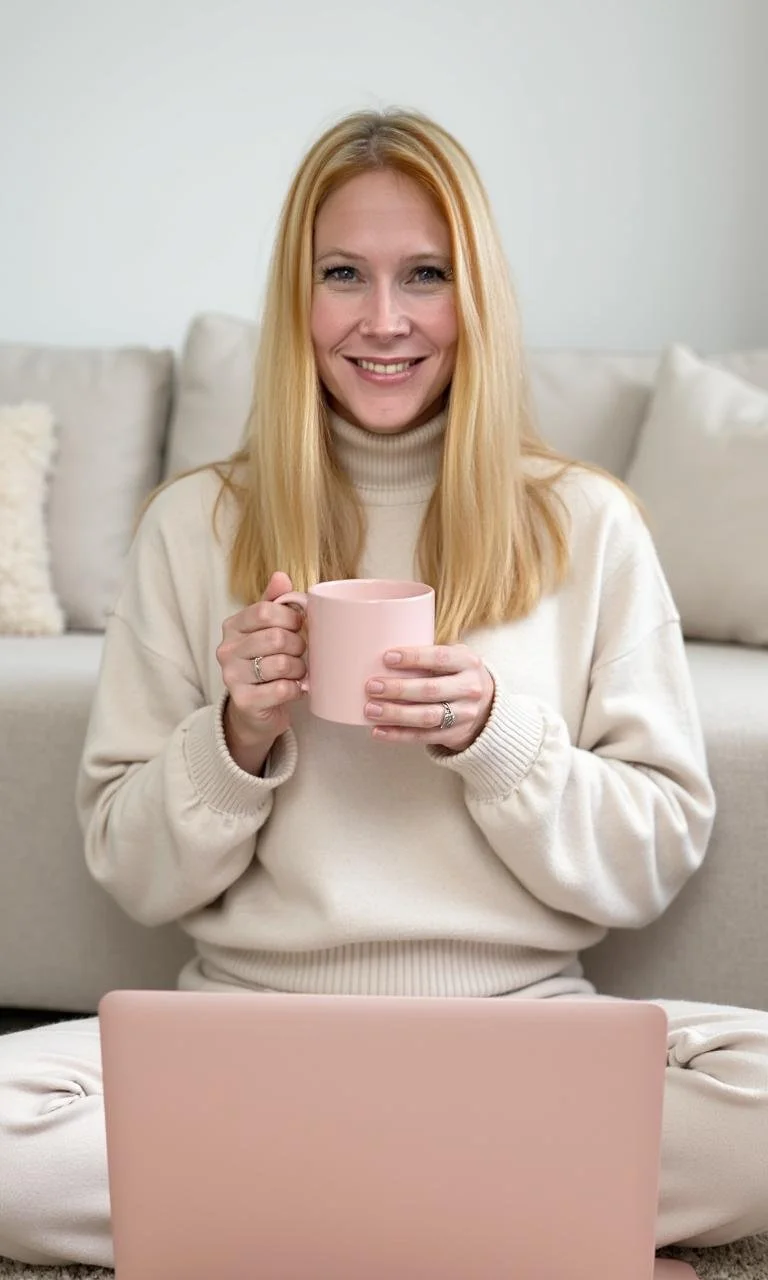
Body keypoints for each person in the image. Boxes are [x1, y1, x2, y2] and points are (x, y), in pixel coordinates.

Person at [1, 108, 767, 1269]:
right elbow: (130, 863)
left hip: (523, 1038)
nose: (384, 319)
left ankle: (287, 1210)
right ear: (296, 298)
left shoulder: (588, 523)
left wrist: (501, 737)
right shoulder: (193, 523)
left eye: (426, 275)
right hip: (244, 1033)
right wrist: (237, 734)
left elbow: (656, 853)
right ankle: (498, 1217)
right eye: (343, 275)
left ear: (478, 297)